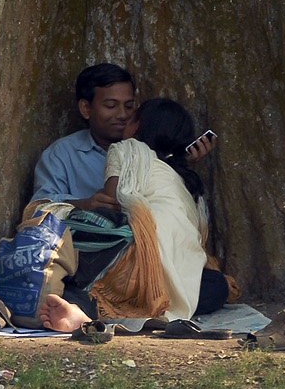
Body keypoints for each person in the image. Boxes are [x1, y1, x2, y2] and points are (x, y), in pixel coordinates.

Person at [40, 96, 229, 330]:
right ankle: (131, 307)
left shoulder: (126, 148)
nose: (122, 119)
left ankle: (81, 309)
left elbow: (112, 203)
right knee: (217, 285)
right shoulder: (186, 181)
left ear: (138, 125)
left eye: (130, 115)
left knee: (76, 271)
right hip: (171, 277)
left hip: (133, 262)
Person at [31, 63, 137, 204]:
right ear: (86, 108)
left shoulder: (145, 149)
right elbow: (39, 207)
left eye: (129, 106)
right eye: (111, 105)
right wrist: (84, 205)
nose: (123, 114)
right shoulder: (62, 154)